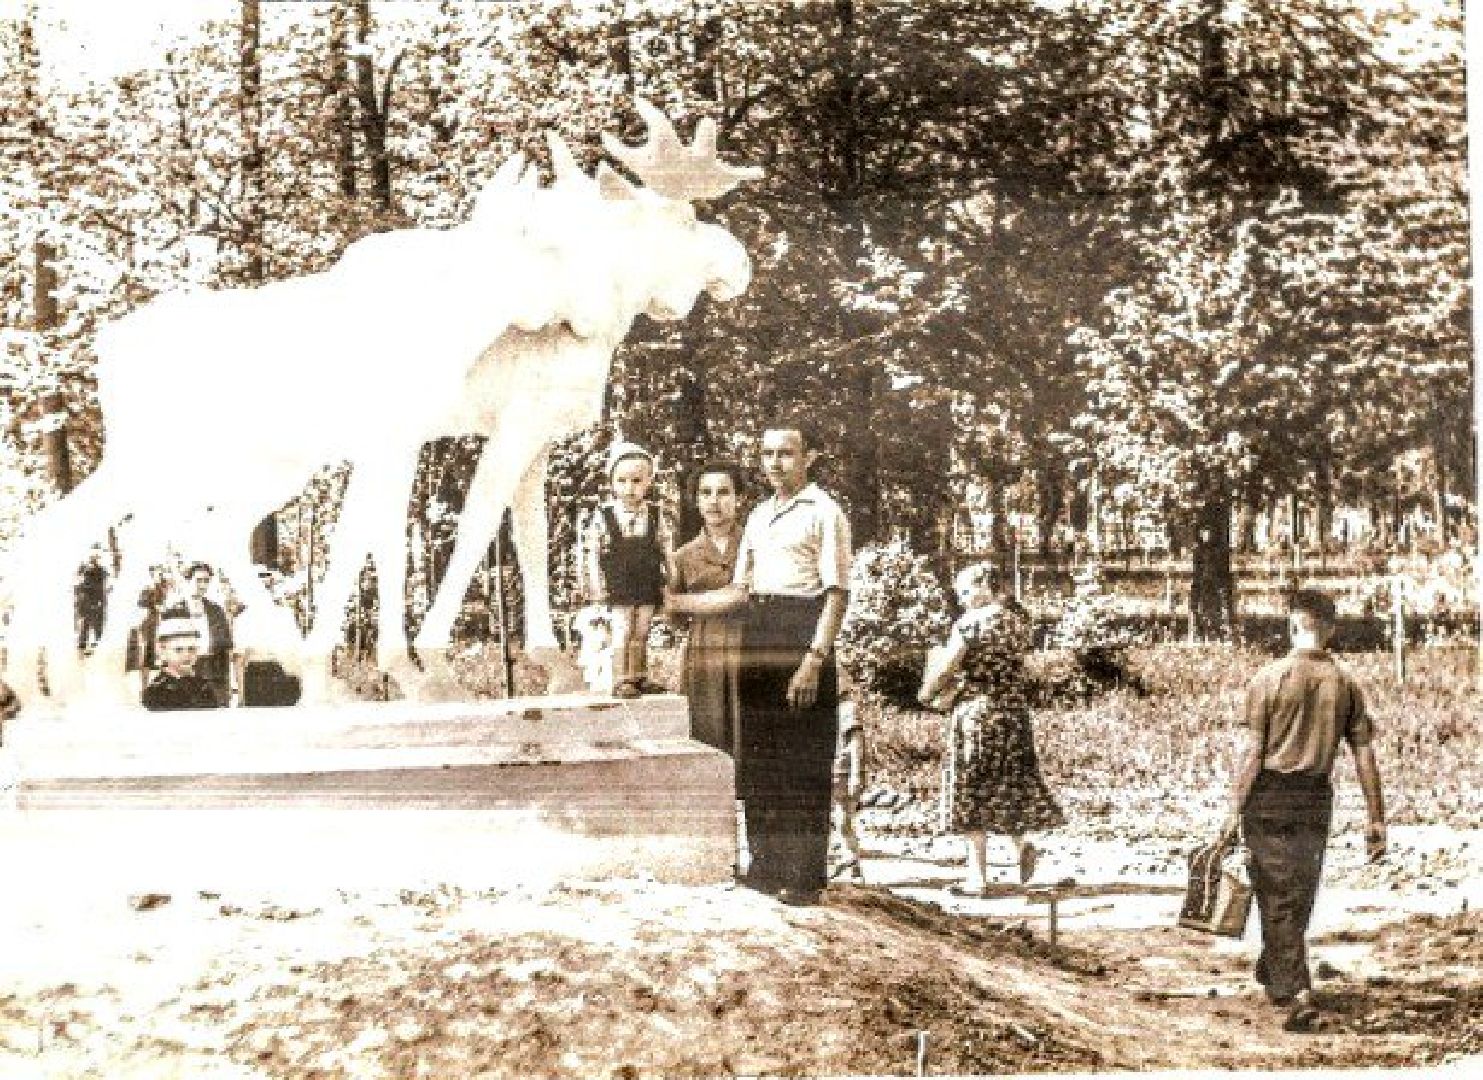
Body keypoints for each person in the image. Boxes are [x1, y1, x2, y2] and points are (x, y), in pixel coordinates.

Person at [1226, 589, 1387, 1033]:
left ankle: (1294, 988)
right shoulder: (1347, 683)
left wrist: (1230, 810)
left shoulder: (1266, 679)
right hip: (1315, 797)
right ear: (1330, 629)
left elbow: (1251, 754)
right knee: (1299, 887)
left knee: (1275, 890)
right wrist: (1376, 819)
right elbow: (1364, 755)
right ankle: (1278, 965)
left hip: (1269, 796)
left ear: (1292, 625)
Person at [729, 420, 851, 906]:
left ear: (809, 458)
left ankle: (803, 875)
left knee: (803, 758)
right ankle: (765, 865)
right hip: (759, 633)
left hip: (802, 631)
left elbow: (837, 593)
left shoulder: (825, 512)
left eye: (786, 453)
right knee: (761, 755)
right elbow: (743, 586)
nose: (775, 462)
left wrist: (813, 660)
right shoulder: (758, 514)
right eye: (767, 454)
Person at [918, 562, 1064, 897]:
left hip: (977, 712)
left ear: (987, 585)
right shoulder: (1019, 623)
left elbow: (946, 669)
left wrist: (927, 693)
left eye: (967, 591)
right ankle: (1020, 844)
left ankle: (977, 877)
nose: (963, 599)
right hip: (1013, 710)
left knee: (972, 786)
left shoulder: (969, 625)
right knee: (1010, 779)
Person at [580, 441, 674, 700]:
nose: (629, 488)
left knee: (642, 629)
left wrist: (671, 576)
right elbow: (592, 552)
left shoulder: (654, 514)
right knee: (622, 629)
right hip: (619, 581)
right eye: (622, 481)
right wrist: (596, 585)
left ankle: (639, 676)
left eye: (636, 481)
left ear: (648, 482)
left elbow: (665, 546)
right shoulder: (604, 516)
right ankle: (621, 678)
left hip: (646, 579)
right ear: (612, 482)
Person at [664, 460, 747, 755]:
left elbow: (750, 594)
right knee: (708, 727)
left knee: (750, 724)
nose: (714, 501)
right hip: (704, 650)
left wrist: (687, 603)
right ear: (696, 500)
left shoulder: (755, 544)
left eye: (724, 492)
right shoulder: (682, 557)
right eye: (706, 493)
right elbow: (671, 615)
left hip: (749, 644)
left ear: (739, 498)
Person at [162, 562, 234, 706]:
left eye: (206, 581)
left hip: (213, 673)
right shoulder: (174, 611)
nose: (202, 585)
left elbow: (226, 646)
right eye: (198, 580)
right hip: (185, 673)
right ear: (187, 581)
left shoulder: (216, 610)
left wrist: (227, 685)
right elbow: (166, 648)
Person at [141, 617, 223, 711]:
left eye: (192, 649)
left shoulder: (203, 686)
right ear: (162, 652)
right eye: (178, 650)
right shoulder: (156, 692)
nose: (187, 655)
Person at [830, 690, 865, 882]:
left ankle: (852, 861)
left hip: (844, 773)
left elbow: (856, 744)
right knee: (836, 820)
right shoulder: (830, 710)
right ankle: (842, 860)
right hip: (833, 772)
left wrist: (856, 775)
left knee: (844, 820)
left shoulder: (848, 709)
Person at [75, 552, 109, 652]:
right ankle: (84, 643)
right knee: (88, 622)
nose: (95, 561)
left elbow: (101, 587)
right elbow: (83, 586)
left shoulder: (100, 571)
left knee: (95, 622)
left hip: (95, 600)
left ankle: (91, 642)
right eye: (94, 558)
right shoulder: (87, 571)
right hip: (89, 600)